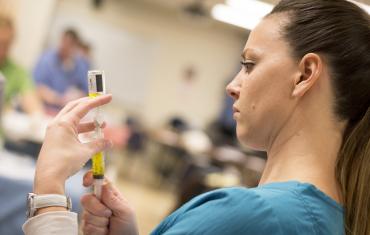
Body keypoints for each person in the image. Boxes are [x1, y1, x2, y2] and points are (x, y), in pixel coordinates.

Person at [23, 0, 370, 234]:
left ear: (305, 74)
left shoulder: (250, 216)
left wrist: (50, 192)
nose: (232, 86)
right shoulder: (338, 218)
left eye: (249, 65)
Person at [33, 28, 89, 114]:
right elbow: (36, 87)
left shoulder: (80, 64)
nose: (64, 47)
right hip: (44, 109)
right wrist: (58, 99)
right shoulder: (46, 60)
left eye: (69, 45)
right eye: (63, 42)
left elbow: (87, 91)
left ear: (74, 46)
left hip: (66, 112)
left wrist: (77, 95)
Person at [0, 15, 43, 114]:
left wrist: (37, 116)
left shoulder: (17, 72)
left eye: (6, 44)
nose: (1, 50)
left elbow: (32, 103)